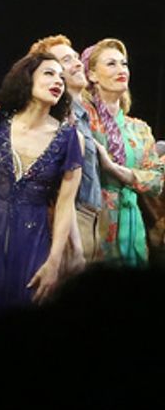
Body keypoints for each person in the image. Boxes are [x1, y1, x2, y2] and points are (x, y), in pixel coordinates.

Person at [0, 53, 82, 323]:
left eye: (61, 76)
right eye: (48, 73)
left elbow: (65, 205)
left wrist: (54, 261)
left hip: (34, 243)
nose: (58, 80)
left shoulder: (70, 137)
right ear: (27, 77)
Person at [78, 38, 164, 267]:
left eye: (124, 64)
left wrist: (113, 168)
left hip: (131, 220)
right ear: (92, 75)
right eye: (111, 64)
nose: (121, 70)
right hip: (92, 219)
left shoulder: (139, 128)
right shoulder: (83, 119)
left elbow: (156, 180)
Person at [25, 34, 103, 268]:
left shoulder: (82, 115)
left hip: (92, 219)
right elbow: (60, 188)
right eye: (67, 60)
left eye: (77, 58)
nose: (78, 63)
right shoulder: (61, 120)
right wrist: (74, 244)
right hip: (71, 222)